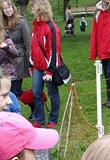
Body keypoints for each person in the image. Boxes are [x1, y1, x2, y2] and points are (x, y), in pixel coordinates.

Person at [30, 0, 63, 129]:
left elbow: (54, 50)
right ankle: (39, 119)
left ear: (39, 10)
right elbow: (33, 46)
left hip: (49, 67)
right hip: (37, 66)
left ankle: (53, 119)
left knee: (52, 94)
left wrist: (50, 71)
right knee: (36, 92)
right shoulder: (35, 26)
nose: (31, 11)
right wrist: (31, 64)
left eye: (33, 8)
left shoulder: (52, 27)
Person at [0, 0, 32, 97]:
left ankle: (32, 101)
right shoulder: (1, 23)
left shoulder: (21, 21)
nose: (7, 10)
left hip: (19, 59)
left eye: (9, 7)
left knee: (16, 90)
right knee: (8, 89)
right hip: (6, 60)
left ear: (13, 8)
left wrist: (30, 61)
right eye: (5, 8)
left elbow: (28, 42)